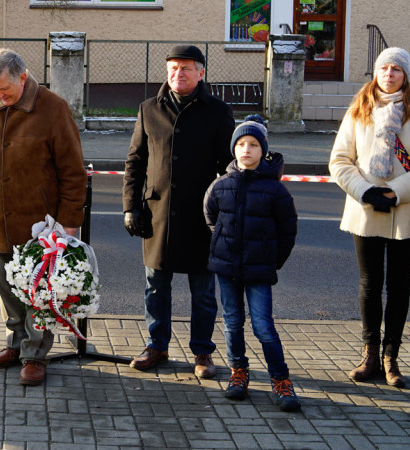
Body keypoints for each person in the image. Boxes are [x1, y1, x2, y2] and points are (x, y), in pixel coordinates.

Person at [0, 48, 86, 386]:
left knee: (39, 291)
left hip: (42, 224)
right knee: (8, 288)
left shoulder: (53, 108)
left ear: (23, 77)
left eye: (5, 89)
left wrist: (70, 221)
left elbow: (72, 171)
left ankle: (34, 355)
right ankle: (15, 343)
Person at [329, 47, 410, 388]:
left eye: (397, 68)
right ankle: (369, 355)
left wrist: (397, 191)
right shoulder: (360, 107)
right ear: (377, 72)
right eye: (385, 68)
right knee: (369, 285)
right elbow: (340, 160)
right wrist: (366, 192)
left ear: (406, 74)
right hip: (366, 208)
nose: (390, 74)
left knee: (399, 286)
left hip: (408, 208)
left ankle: (390, 358)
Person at [123, 44, 234, 377]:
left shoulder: (217, 111)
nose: (178, 74)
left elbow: (230, 166)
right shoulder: (149, 109)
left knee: (202, 292)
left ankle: (203, 352)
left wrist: (225, 212)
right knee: (156, 287)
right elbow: (135, 162)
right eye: (173, 68)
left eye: (186, 68)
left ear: (201, 72)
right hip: (158, 215)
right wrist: (130, 206)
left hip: (202, 218)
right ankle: (157, 346)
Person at [205, 115, 300, 411]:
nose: (247, 149)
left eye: (254, 144)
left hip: (259, 269)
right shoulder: (220, 186)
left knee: (263, 326)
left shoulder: (275, 190)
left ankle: (280, 379)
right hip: (226, 268)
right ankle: (239, 372)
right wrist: (225, 247)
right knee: (232, 322)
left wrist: (273, 261)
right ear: (234, 149)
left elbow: (288, 230)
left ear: (264, 150)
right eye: (242, 144)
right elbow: (211, 218)